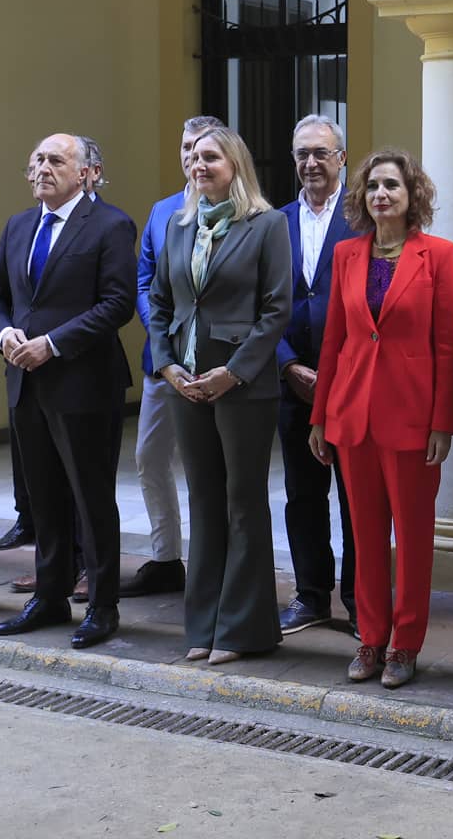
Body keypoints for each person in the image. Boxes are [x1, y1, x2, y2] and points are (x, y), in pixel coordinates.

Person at [308, 149, 453, 688]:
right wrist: (320, 415)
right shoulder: (348, 254)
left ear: (411, 194)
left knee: (412, 537)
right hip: (351, 415)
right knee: (364, 535)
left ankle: (405, 644)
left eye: (392, 185)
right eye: (373, 186)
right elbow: (334, 341)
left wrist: (443, 421)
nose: (381, 194)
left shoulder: (439, 255)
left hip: (413, 419)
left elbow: (447, 344)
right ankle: (370, 639)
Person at [0, 134, 137, 649]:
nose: (42, 168)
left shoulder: (111, 225)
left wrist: (53, 343)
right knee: (43, 498)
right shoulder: (19, 226)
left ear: (87, 172)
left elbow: (117, 304)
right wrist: (4, 332)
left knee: (91, 497)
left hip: (84, 383)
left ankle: (101, 604)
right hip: (25, 382)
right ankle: (49, 596)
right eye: (36, 161)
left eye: (55, 160)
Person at [146, 125, 292, 664]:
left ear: (235, 164)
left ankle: (241, 629)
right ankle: (202, 626)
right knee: (203, 501)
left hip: (242, 386)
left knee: (242, 503)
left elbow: (277, 309)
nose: (199, 165)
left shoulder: (267, 224)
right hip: (186, 384)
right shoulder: (180, 226)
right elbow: (160, 303)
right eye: (194, 158)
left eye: (212, 157)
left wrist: (233, 372)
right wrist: (166, 367)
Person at [122, 116, 225, 598]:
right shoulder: (162, 211)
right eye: (185, 148)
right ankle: (166, 558)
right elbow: (145, 281)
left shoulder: (240, 209)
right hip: (164, 361)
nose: (190, 157)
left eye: (201, 149)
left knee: (214, 467)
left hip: (218, 362)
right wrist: (162, 341)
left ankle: (219, 562)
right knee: (150, 455)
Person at [275, 115, 363, 636]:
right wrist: (286, 362)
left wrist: (334, 370)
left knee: (356, 498)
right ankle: (311, 596)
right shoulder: (273, 221)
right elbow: (261, 301)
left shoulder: (364, 215)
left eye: (321, 153)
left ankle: (358, 600)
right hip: (292, 382)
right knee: (302, 495)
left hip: (351, 382)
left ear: (342, 159)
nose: (311, 163)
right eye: (303, 153)